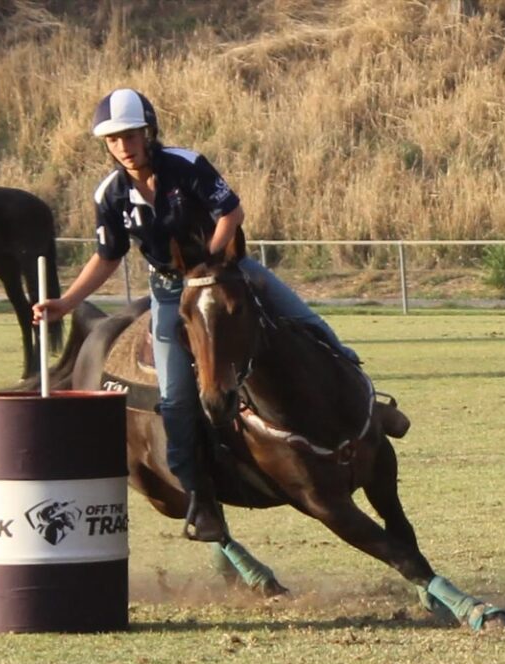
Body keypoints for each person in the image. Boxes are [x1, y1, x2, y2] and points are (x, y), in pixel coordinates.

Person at [33, 88, 359, 542]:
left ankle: (369, 412)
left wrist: (208, 261)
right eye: (113, 140)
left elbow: (232, 213)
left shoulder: (186, 165)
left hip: (229, 274)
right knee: (176, 400)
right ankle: (201, 501)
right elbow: (108, 256)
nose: (123, 146)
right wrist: (66, 303)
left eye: (130, 135)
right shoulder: (109, 193)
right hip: (171, 294)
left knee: (311, 325)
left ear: (149, 131)